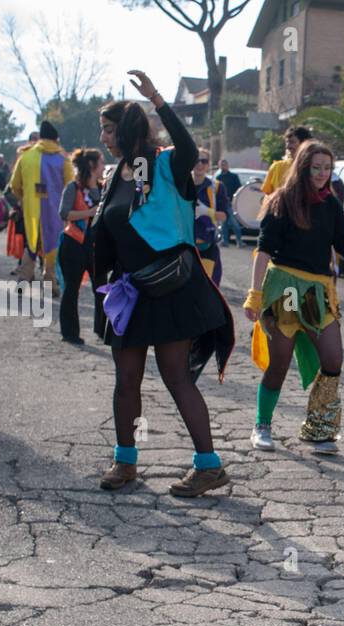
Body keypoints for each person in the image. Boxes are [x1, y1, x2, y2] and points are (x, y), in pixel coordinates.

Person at [90, 70, 235, 497]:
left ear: (128, 129)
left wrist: (155, 98)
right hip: (132, 291)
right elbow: (111, 233)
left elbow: (189, 148)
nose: (103, 137)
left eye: (108, 129)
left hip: (171, 286)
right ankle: (125, 461)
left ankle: (209, 466)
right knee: (126, 378)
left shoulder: (166, 163)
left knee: (176, 376)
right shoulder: (116, 175)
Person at [244, 140, 344, 454]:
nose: (321, 173)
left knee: (332, 359)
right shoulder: (282, 201)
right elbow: (263, 250)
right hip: (288, 290)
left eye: (327, 168)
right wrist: (255, 294)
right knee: (280, 361)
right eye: (316, 167)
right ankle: (262, 424)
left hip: (318, 293)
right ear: (303, 167)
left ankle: (318, 431)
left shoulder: (330, 203)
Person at [57, 147, 104, 344]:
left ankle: (103, 330)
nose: (103, 167)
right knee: (71, 289)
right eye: (101, 163)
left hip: (96, 246)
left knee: (102, 288)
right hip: (74, 244)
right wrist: (89, 212)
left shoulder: (103, 188)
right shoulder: (73, 188)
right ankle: (70, 333)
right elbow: (64, 213)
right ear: (92, 166)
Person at [8, 121, 65, 281]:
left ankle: (23, 278)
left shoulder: (25, 156)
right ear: (55, 139)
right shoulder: (62, 158)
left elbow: (14, 185)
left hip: (31, 209)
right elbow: (70, 185)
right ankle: (51, 282)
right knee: (53, 245)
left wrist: (25, 199)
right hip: (55, 210)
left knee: (31, 244)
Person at [192, 147, 227, 285]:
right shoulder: (181, 184)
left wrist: (207, 212)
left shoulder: (217, 187)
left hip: (207, 247)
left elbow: (224, 216)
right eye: (196, 160)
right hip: (183, 248)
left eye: (204, 161)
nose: (199, 164)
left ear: (208, 164)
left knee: (206, 289)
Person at [260, 125, 311, 196]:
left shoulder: (312, 167)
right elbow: (267, 196)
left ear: (304, 144)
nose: (288, 146)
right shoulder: (277, 167)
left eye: (292, 142)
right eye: (287, 142)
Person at [215, 158, 243, 247]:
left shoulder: (234, 176)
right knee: (224, 224)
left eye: (225, 164)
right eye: (221, 164)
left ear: (227, 165)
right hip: (221, 204)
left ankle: (239, 241)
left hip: (231, 203)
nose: (223, 166)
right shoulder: (218, 178)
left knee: (234, 223)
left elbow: (239, 189)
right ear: (219, 166)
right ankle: (225, 241)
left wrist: (235, 201)